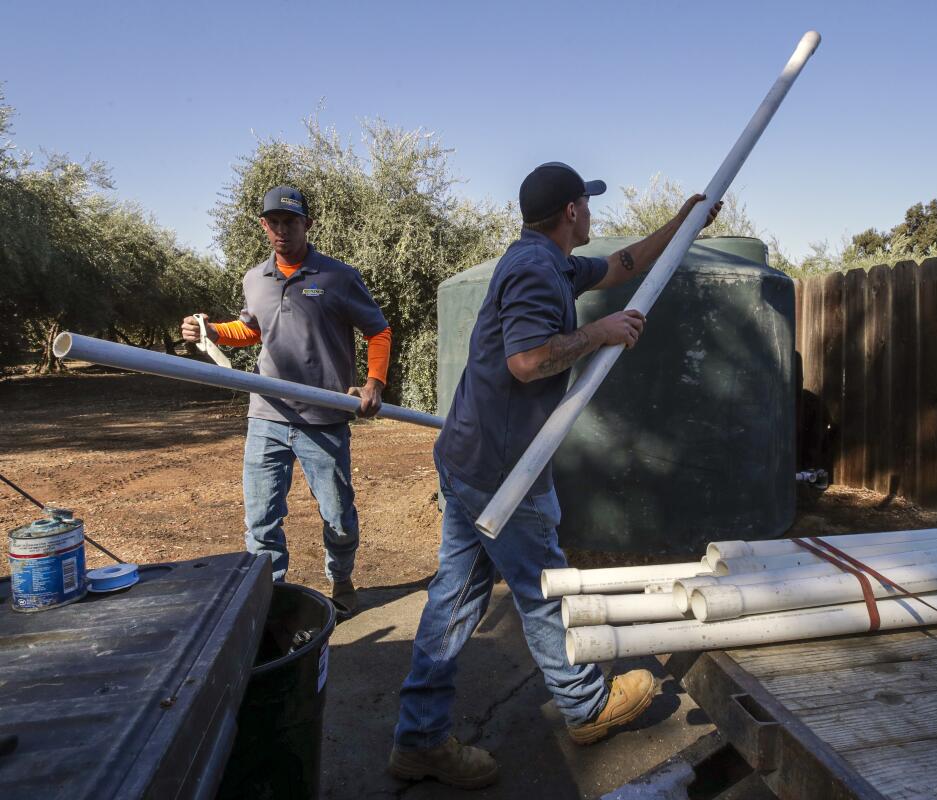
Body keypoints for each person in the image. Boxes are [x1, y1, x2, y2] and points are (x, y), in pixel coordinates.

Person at [388, 162, 722, 789]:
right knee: (543, 584)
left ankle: (419, 739)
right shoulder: (539, 271)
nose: (591, 213)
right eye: (587, 204)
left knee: (455, 597)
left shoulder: (545, 258)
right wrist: (598, 332)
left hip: (470, 453)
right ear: (572, 211)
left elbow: (623, 264)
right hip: (503, 469)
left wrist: (683, 223)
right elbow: (527, 360)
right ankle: (584, 706)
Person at [181, 185, 391, 620]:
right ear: (264, 226)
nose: (281, 230)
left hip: (324, 418)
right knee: (261, 518)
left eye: (290, 222)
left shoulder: (337, 277)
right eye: (273, 222)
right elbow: (254, 329)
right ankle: (269, 598)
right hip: (266, 416)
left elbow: (379, 331)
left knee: (337, 515)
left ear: (307, 225)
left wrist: (374, 382)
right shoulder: (254, 279)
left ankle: (342, 578)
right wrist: (214, 331)